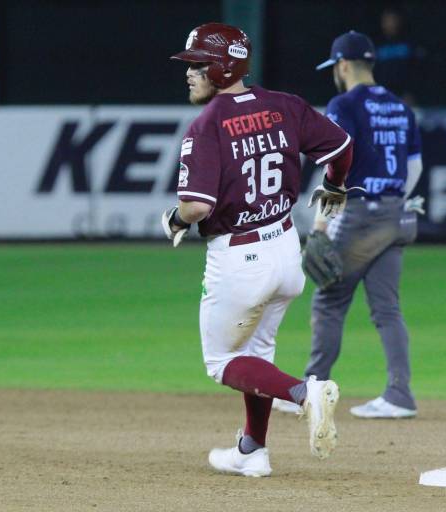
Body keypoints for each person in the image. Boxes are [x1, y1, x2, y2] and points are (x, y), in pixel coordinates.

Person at [161, 22, 354, 477]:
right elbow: (342, 148)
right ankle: (252, 451)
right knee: (257, 352)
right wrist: (334, 187)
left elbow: (197, 204)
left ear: (221, 66)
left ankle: (305, 394)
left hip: (239, 258)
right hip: (286, 249)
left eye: (196, 64)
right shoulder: (285, 106)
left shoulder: (206, 125)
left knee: (223, 362)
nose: (189, 73)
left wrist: (173, 219)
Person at [273, 31, 423, 419]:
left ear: (342, 65)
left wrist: (321, 225)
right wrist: (393, 203)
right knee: (387, 309)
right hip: (397, 213)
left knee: (329, 300)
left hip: (359, 215)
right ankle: (399, 394)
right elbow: (415, 166)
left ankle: (312, 388)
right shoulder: (399, 106)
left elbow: (336, 165)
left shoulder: (344, 103)